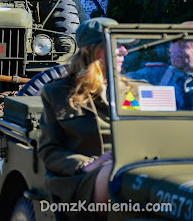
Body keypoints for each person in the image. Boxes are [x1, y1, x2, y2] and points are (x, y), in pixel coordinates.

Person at [38, 18, 138, 217]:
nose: (124, 51)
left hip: (134, 169)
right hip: (83, 180)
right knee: (111, 172)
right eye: (116, 44)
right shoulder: (58, 93)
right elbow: (49, 150)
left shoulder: (134, 90)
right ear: (92, 50)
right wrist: (84, 165)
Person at [127, 21, 193, 111]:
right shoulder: (155, 76)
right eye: (172, 43)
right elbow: (120, 84)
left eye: (182, 45)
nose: (172, 50)